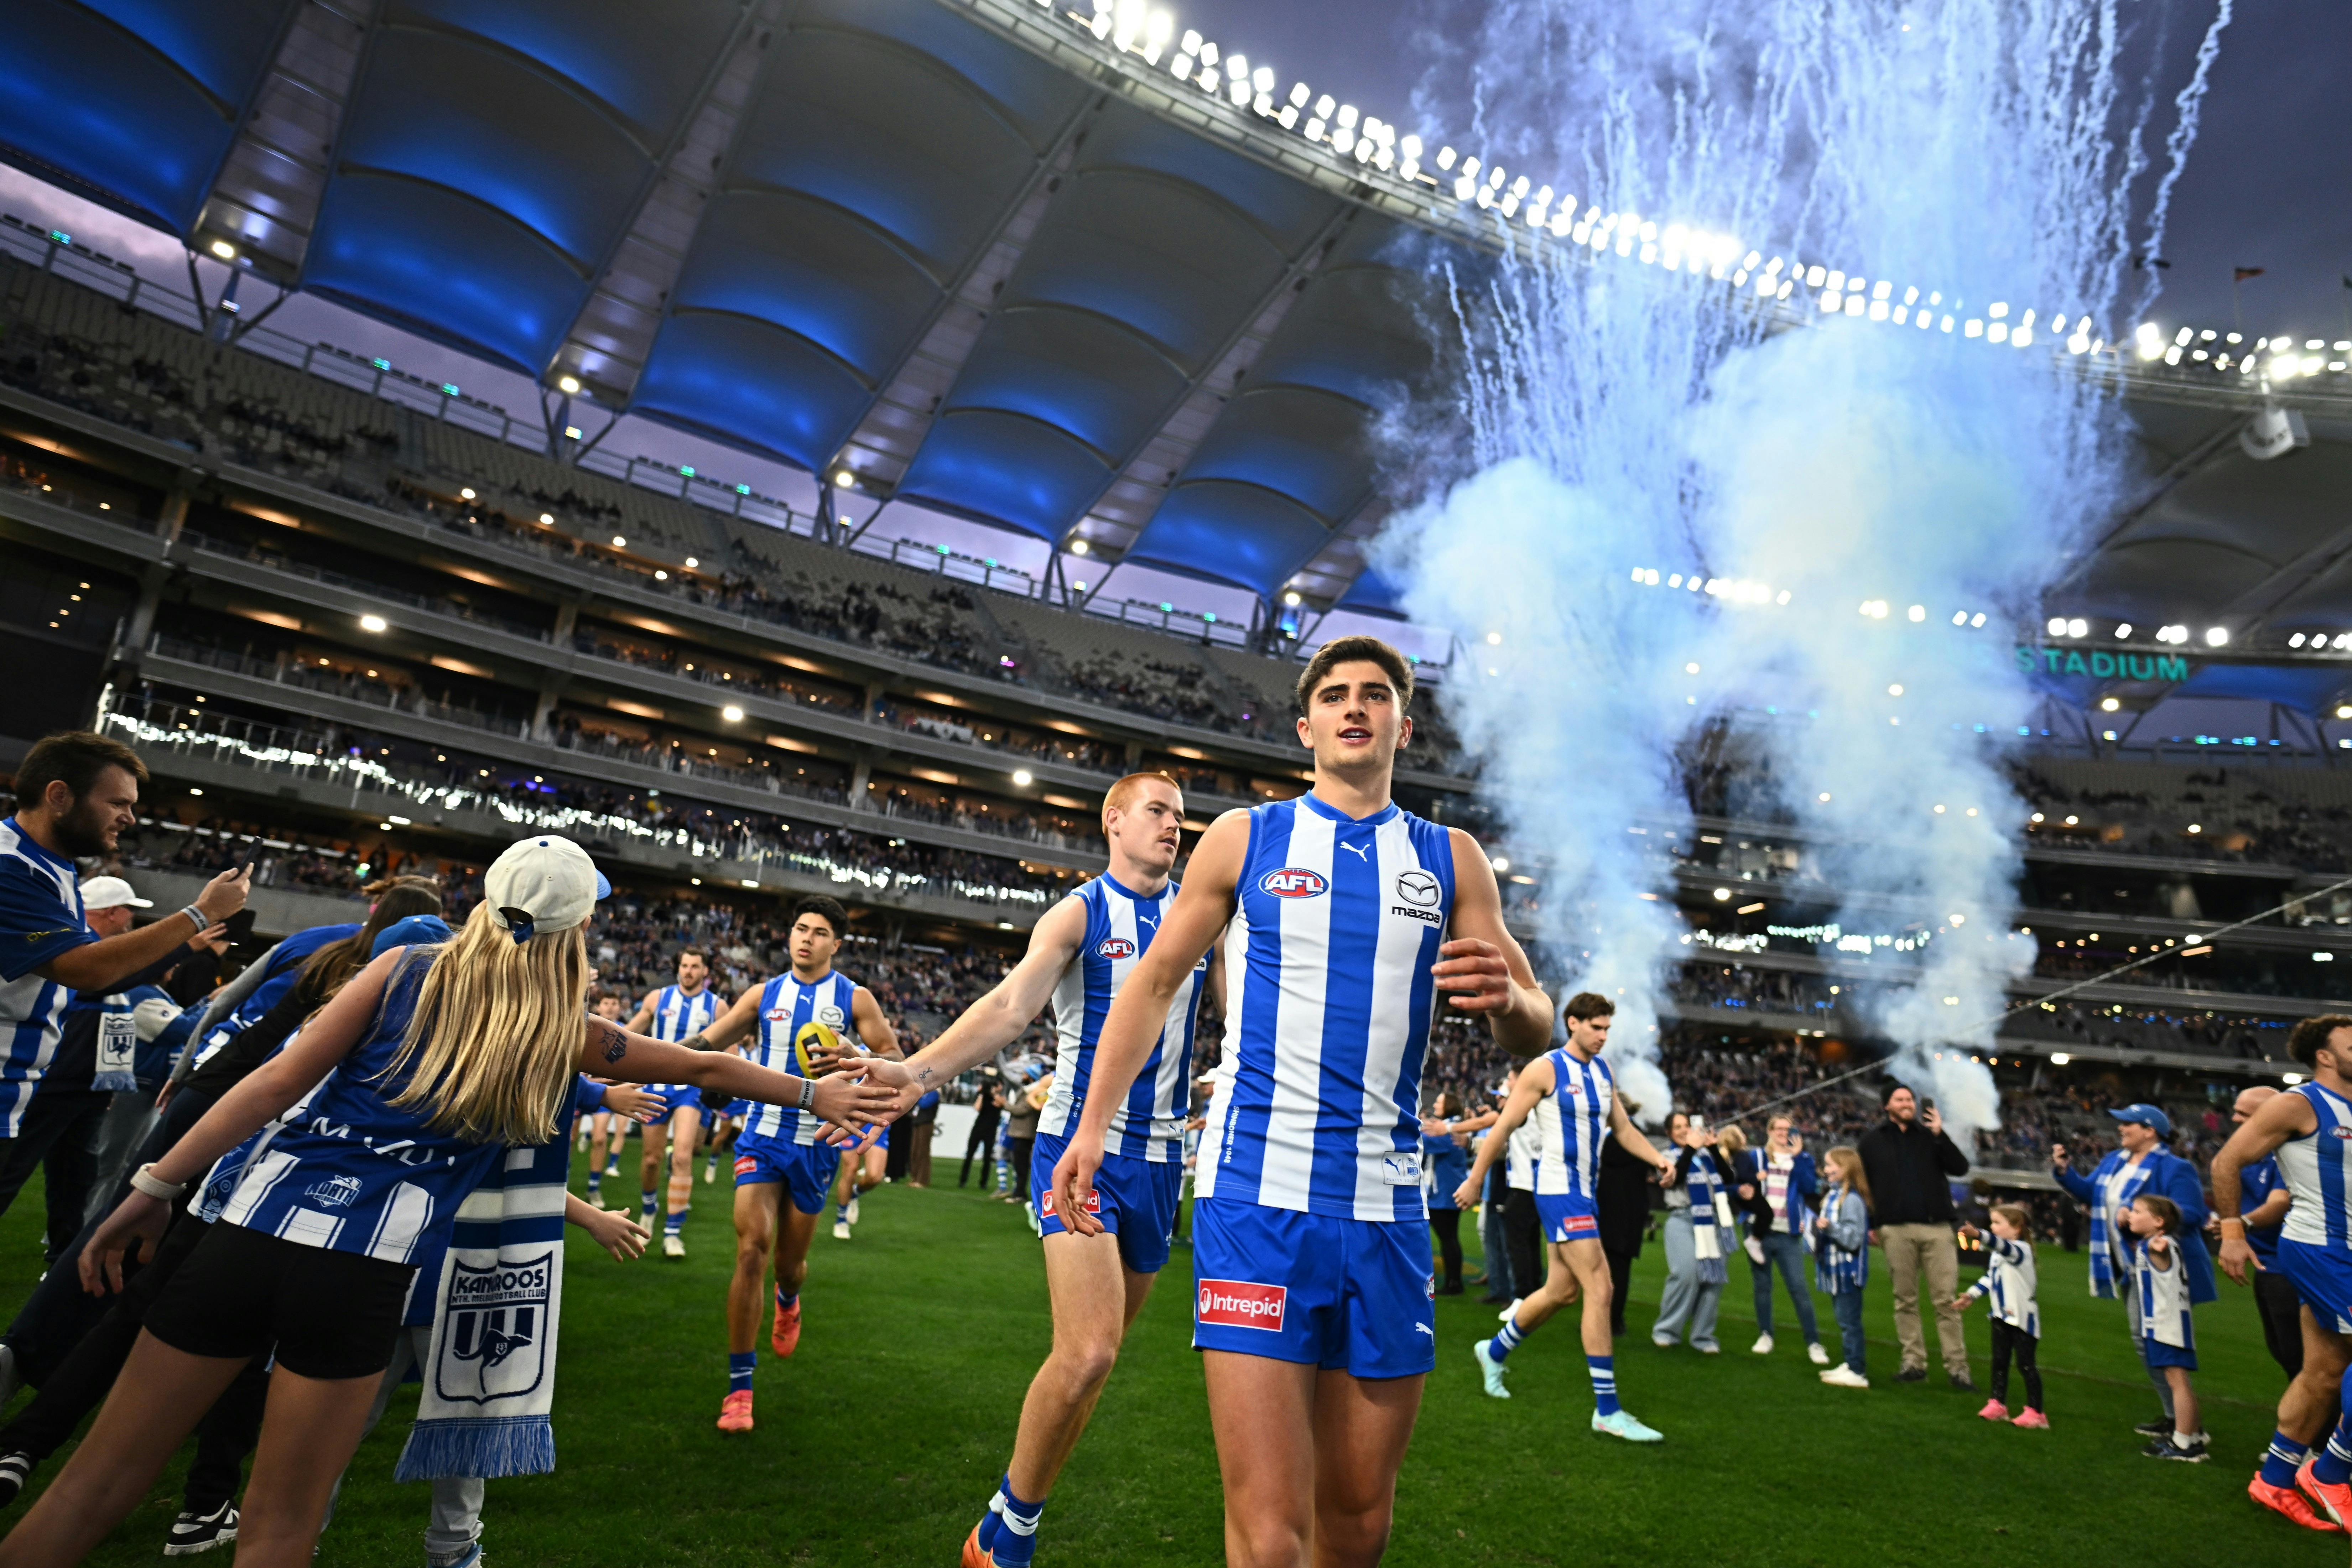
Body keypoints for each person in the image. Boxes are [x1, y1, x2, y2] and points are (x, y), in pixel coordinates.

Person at [0, 835, 892, 1568]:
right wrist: (815, 1097)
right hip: (363, 1273)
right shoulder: (558, 1029)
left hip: (245, 1236)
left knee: (88, 1489)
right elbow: (703, 1067)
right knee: (277, 1531)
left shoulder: (400, 972)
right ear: (579, 928)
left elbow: (271, 1086)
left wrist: (154, 1188)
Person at [1050, 635, 1555, 1568]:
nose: (1354, 707)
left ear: (1402, 723)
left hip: (1387, 1213)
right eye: (1334, 696)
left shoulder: (1453, 859)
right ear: (1306, 724)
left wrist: (1515, 1001)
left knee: (1357, 1522)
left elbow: (1534, 1032)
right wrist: (1088, 1125)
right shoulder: (1248, 837)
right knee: (1270, 1533)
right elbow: (1154, 984)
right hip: (1256, 1203)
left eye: (1373, 695)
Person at [857, 771, 1209, 1568]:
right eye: (1158, 810)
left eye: (1182, 817)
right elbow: (1012, 1006)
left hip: (1161, 1163)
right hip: (1079, 1148)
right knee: (1085, 1351)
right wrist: (917, 1073)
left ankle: (1009, 1523)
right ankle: (1007, 1528)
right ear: (1112, 820)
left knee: (1100, 1362)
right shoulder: (1080, 909)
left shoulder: (1203, 911)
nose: (1174, 825)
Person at [667, 893, 898, 1432]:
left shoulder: (854, 998)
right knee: (751, 1250)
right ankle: (740, 1389)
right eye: (799, 927)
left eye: (819, 931)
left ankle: (789, 1298)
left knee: (788, 1265)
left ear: (836, 944)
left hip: (817, 1144)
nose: (806, 937)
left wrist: (854, 1053)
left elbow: (893, 1059)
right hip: (761, 1137)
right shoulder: (763, 993)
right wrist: (646, 1059)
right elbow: (704, 1044)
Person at [2, 731, 250, 1159]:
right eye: (118, 803)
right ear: (59, 796)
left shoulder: (51, 865)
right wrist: (201, 913)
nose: (130, 818)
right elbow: (84, 969)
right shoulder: (11, 865)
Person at [1458, 992, 1674, 1438]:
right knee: (1602, 1286)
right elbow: (1502, 1126)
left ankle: (1493, 1351)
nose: (1603, 1035)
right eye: (1596, 1027)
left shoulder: (1602, 1071)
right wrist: (1476, 1178)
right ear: (1572, 1023)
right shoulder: (1545, 1068)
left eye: (1607, 1029)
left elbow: (1625, 1128)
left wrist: (1657, 1159)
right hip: (1558, 1190)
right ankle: (1607, 1411)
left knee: (1560, 1292)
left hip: (1584, 1193)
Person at [0, 876, 221, 1240]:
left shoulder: (90, 952)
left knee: (75, 1180)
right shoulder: (77, 953)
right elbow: (103, 980)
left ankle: (60, 1258)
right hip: (57, 1079)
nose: (129, 921)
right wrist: (185, 944)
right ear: (113, 912)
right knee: (16, 1168)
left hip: (89, 1083)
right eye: (127, 912)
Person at [2213, 1014, 2352, 1531]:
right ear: (2324, 1054)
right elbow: (2227, 1160)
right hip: (2319, 1247)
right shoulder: (2299, 1103)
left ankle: (2275, 1479)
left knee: (2323, 1371)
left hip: (2347, 1251)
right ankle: (2333, 1470)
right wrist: (2233, 1231)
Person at [2051, 1101, 2213, 1436]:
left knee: (2155, 1344)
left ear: (2150, 1130)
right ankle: (2176, 1418)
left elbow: (2193, 1214)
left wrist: (2139, 1215)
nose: (2120, 1128)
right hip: (2130, 1265)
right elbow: (2090, 1193)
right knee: (2145, 1342)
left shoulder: (2176, 1168)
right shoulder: (2114, 1161)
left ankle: (2185, 1426)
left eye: (2128, 1123)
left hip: (2161, 1268)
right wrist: (2065, 1171)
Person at [1857, 1084, 1973, 1389]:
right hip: (1895, 1229)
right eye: (1901, 1099)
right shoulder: (1871, 1142)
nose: (1907, 1103)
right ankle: (1913, 1363)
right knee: (1905, 1299)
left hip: (1937, 1228)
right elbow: (1864, 1185)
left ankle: (1958, 1369)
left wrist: (1940, 1134)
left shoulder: (1930, 1136)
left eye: (1910, 1099)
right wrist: (1873, 1223)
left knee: (1946, 1301)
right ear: (1887, 1106)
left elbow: (1960, 1167)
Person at [623, 948, 726, 1257]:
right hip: (656, 1086)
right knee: (652, 1159)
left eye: (695, 966)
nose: (688, 971)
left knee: (682, 1155)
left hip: (691, 1089)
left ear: (705, 971)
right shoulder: (658, 998)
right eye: (684, 965)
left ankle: (673, 1233)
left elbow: (731, 1046)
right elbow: (630, 1032)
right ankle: (649, 1209)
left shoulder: (717, 1006)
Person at [2123, 1194, 2203, 1462]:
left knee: (2177, 1382)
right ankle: (2191, 1434)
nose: (2130, 1215)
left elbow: (2164, 1252)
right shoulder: (2155, 1242)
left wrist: (2159, 1247)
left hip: (2166, 1324)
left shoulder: (2161, 1244)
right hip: (2167, 1323)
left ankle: (2184, 1443)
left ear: (2158, 1221)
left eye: (2137, 1211)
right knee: (2180, 1382)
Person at [2226, 1085, 2299, 1380]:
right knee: (2284, 1352)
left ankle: (2321, 1425)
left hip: (2290, 1267)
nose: (2233, 1118)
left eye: (2243, 1113)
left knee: (2301, 1358)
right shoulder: (2252, 1154)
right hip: (2266, 1265)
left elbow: (2279, 1202)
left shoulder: (2289, 1153)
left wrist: (2240, 1223)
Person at [1955, 1203, 2046, 1427]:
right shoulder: (1999, 1253)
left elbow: (2000, 1245)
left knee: (2026, 1365)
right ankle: (1998, 1404)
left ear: (2017, 1228)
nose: (1993, 1227)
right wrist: (1972, 1295)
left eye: (1997, 1223)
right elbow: (1990, 1277)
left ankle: (2036, 1412)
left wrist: (1979, 1235)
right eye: (1992, 1223)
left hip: (2023, 1319)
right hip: (2001, 1316)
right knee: (1999, 1362)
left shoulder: (2020, 1250)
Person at [1747, 1115, 1828, 1364]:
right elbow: (1741, 1184)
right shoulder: (1757, 1157)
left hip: (1788, 1232)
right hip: (1759, 1230)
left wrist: (1799, 1155)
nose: (1783, 1133)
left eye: (1788, 1128)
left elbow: (1809, 1187)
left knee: (1799, 1288)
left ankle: (1814, 1342)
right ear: (1769, 1131)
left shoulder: (1802, 1158)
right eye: (1778, 1129)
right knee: (1762, 1286)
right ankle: (1765, 1334)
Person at [1657, 1115, 1732, 1353]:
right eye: (1678, 1127)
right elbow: (1675, 1178)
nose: (1683, 1130)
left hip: (1714, 1220)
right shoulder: (1665, 1156)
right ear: (1669, 1133)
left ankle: (1703, 1336)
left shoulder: (1707, 1156)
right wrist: (1691, 1147)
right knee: (1686, 1273)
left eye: (1686, 1126)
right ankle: (1667, 1330)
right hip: (1682, 1217)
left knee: (1713, 1278)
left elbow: (1729, 1179)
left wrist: (1713, 1148)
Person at [1813, 1145, 1872, 1389]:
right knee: (1843, 1319)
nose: (1826, 1170)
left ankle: (1857, 1369)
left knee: (1849, 1321)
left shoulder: (1852, 1200)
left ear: (1845, 1167)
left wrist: (1829, 1228)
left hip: (1847, 1270)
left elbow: (1853, 1238)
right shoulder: (1834, 1195)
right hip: (1836, 1269)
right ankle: (1850, 1363)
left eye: (1830, 1165)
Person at [1595, 1113, 1654, 1338]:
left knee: (1613, 1270)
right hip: (1626, 1215)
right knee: (1617, 1269)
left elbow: (1610, 1158)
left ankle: (1611, 1320)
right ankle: (1612, 1319)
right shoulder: (1632, 1136)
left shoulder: (1620, 1137)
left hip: (1618, 1215)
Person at [581, 994, 632, 1204]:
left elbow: (630, 1065)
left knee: (603, 1137)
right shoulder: (586, 1026)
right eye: (606, 1003)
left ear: (620, 1008)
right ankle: (560, 1183)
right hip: (584, 1087)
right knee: (568, 1137)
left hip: (611, 1090)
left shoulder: (627, 1031)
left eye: (614, 1004)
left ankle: (594, 1187)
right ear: (598, 1007)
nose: (610, 1008)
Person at [1420, 1094, 1472, 1296]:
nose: (1435, 1105)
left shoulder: (1451, 1129)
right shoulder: (1451, 1126)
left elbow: (1425, 1142)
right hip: (1444, 1191)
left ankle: (1454, 1283)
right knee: (1448, 1237)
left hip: (1446, 1193)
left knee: (1448, 1238)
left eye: (1439, 1102)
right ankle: (1453, 1281)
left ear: (1449, 1106)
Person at [1003, 1066, 1042, 1209]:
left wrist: (1004, 1104)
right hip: (1021, 1133)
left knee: (1021, 1166)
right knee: (1019, 1165)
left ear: (1031, 1077)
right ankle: (1019, 1192)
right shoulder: (1028, 1091)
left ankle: (1019, 1194)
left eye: (1025, 1074)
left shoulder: (1032, 1092)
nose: (1023, 1076)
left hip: (1024, 1134)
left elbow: (1021, 1110)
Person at [961, 1076, 1004, 1187]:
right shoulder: (983, 1096)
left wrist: (994, 1094)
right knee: (969, 1155)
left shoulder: (1000, 1097)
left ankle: (984, 1182)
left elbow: (1001, 1104)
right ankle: (963, 1180)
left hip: (991, 1131)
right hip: (978, 1128)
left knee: (987, 1158)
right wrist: (982, 1093)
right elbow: (977, 1108)